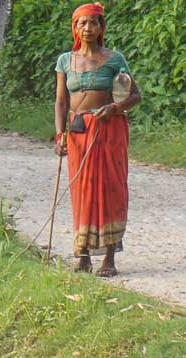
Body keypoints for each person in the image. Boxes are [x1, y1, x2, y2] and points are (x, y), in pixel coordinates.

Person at [54, 2, 141, 276]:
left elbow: (135, 96)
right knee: (82, 189)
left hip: (109, 129)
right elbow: (60, 102)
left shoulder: (116, 59)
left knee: (110, 187)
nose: (87, 28)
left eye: (93, 23)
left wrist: (114, 108)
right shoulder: (65, 60)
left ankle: (110, 258)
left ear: (102, 27)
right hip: (78, 130)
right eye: (82, 23)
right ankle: (82, 254)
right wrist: (60, 134)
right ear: (75, 28)